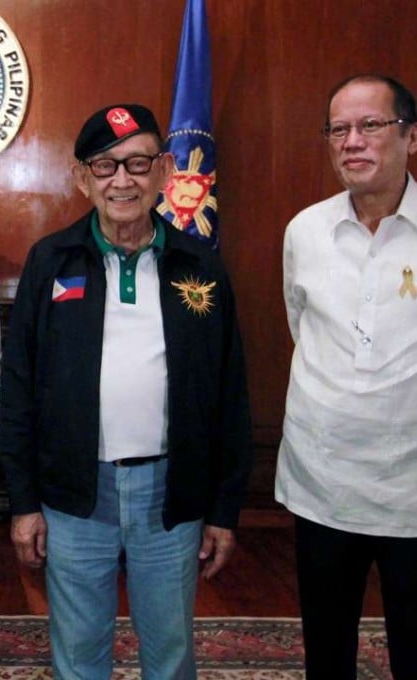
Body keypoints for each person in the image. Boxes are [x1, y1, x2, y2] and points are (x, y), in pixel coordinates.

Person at [0, 104, 253, 680]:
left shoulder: (201, 265)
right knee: (78, 653)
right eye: (105, 165)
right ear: (81, 178)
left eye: (138, 163)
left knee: (170, 652)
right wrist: (23, 503)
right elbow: (18, 389)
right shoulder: (51, 261)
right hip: (75, 495)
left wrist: (223, 509)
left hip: (171, 495)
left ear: (164, 171)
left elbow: (229, 394)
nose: (123, 180)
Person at [277, 74, 417, 679]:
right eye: (338, 129)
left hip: (411, 489)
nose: (351, 141)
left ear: (411, 137)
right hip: (323, 483)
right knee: (327, 652)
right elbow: (301, 325)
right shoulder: (304, 231)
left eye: (370, 125)